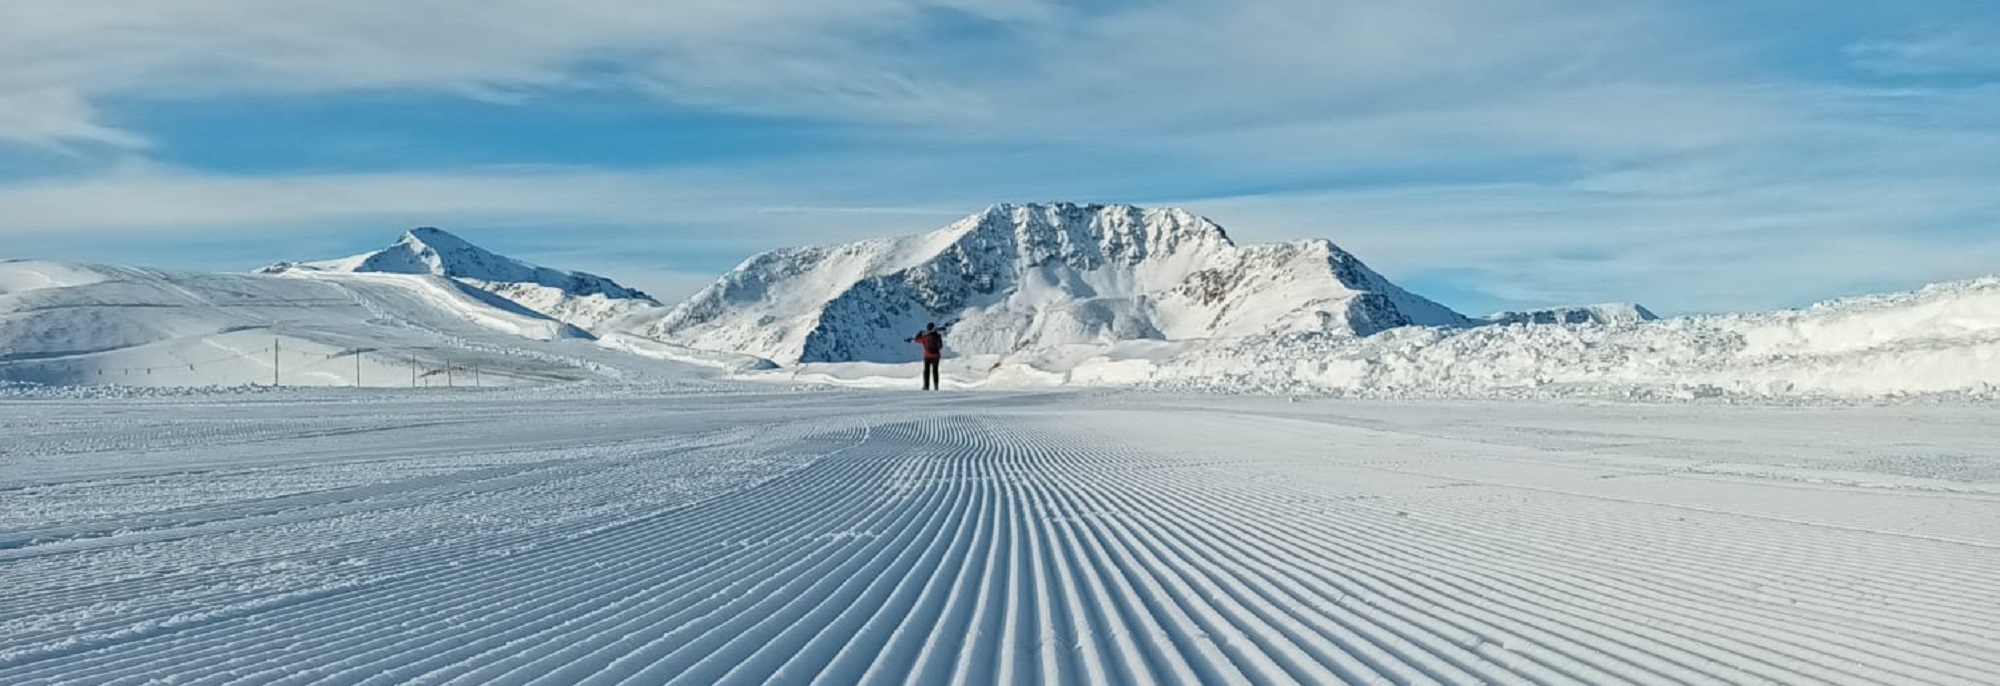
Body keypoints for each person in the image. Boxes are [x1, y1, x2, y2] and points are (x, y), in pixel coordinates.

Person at [911, 322, 945, 390]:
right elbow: (941, 346)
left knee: (926, 371)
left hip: (927, 356)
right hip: (936, 356)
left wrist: (919, 333)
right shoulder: (938, 336)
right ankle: (936, 386)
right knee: (935, 371)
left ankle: (926, 386)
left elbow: (917, 340)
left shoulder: (925, 337)